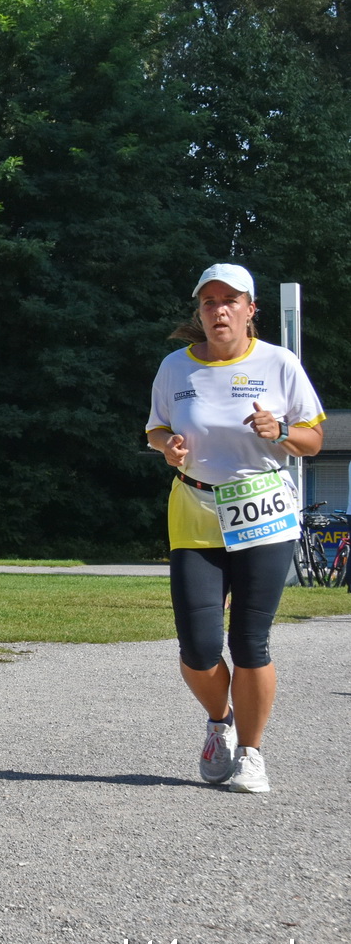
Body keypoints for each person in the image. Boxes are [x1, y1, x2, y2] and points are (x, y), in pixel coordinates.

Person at [144, 263, 323, 794]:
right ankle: (219, 723)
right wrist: (166, 446)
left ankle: (251, 753)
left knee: (250, 642)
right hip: (195, 511)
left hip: (263, 511)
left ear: (250, 309)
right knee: (198, 648)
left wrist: (283, 430)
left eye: (230, 301)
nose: (219, 310)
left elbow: (313, 440)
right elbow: (155, 428)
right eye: (209, 302)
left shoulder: (278, 362)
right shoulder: (176, 367)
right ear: (199, 311)